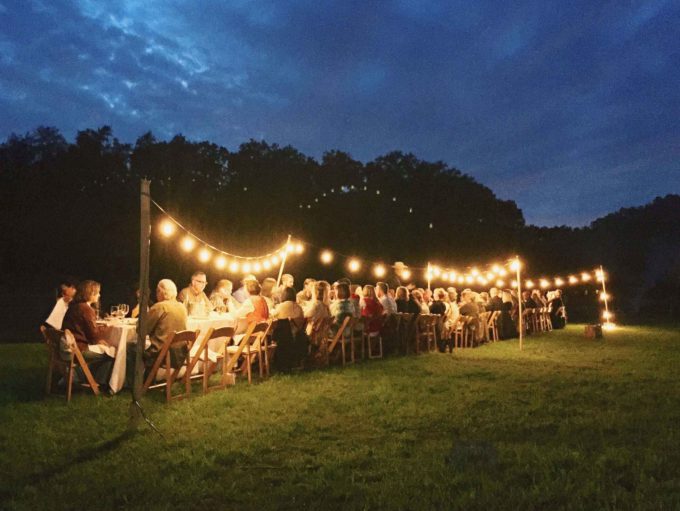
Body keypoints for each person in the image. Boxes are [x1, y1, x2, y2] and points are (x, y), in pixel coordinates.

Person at [126, 279, 188, 385]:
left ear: (161, 292)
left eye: (157, 291)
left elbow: (141, 330)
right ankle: (149, 380)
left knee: (131, 347)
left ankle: (135, 384)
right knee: (154, 344)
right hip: (180, 353)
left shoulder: (160, 306)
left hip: (161, 354)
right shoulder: (182, 307)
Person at [61, 280, 114, 385]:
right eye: (97, 292)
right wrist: (109, 328)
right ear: (90, 293)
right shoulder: (85, 308)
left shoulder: (74, 306)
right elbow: (93, 335)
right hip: (78, 349)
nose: (99, 295)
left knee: (106, 349)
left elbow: (85, 331)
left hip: (66, 348)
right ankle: (99, 382)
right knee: (112, 352)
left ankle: (82, 376)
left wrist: (98, 336)